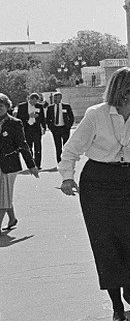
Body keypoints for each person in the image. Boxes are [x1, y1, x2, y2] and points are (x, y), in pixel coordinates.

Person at [58, 67, 130, 321]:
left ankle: (126, 275)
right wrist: (67, 176)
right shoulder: (97, 115)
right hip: (96, 182)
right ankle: (116, 306)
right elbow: (72, 149)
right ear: (125, 91)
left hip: (127, 181)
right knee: (105, 245)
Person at [0, 93, 40, 232]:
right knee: (4, 194)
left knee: (4, 195)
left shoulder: (15, 123)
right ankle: (12, 218)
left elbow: (23, 145)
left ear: (7, 106)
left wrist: (31, 165)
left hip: (9, 165)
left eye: (2, 105)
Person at [16, 93, 46, 169]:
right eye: (34, 101)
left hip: (36, 129)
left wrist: (44, 127)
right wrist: (29, 116)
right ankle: (31, 164)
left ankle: (38, 165)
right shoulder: (22, 106)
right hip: (27, 129)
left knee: (38, 147)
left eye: (36, 101)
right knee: (28, 147)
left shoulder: (39, 106)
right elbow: (18, 118)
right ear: (30, 99)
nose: (35, 103)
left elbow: (42, 117)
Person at [45, 91, 75, 165]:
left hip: (65, 128)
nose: (55, 99)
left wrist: (69, 126)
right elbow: (48, 119)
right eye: (54, 98)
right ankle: (59, 162)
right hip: (56, 129)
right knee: (58, 146)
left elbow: (71, 117)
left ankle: (66, 160)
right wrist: (51, 128)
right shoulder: (50, 107)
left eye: (57, 98)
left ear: (61, 98)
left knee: (66, 146)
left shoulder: (66, 106)